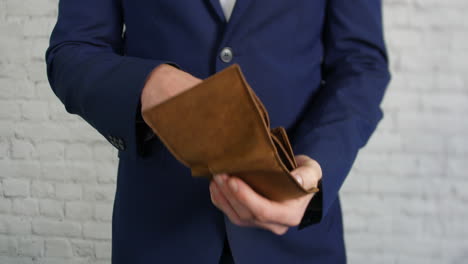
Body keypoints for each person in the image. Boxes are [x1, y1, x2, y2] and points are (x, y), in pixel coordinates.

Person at [45, 0, 390, 263]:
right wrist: (152, 84)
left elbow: (361, 65)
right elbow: (73, 51)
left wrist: (316, 168)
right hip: (158, 232)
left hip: (297, 240)